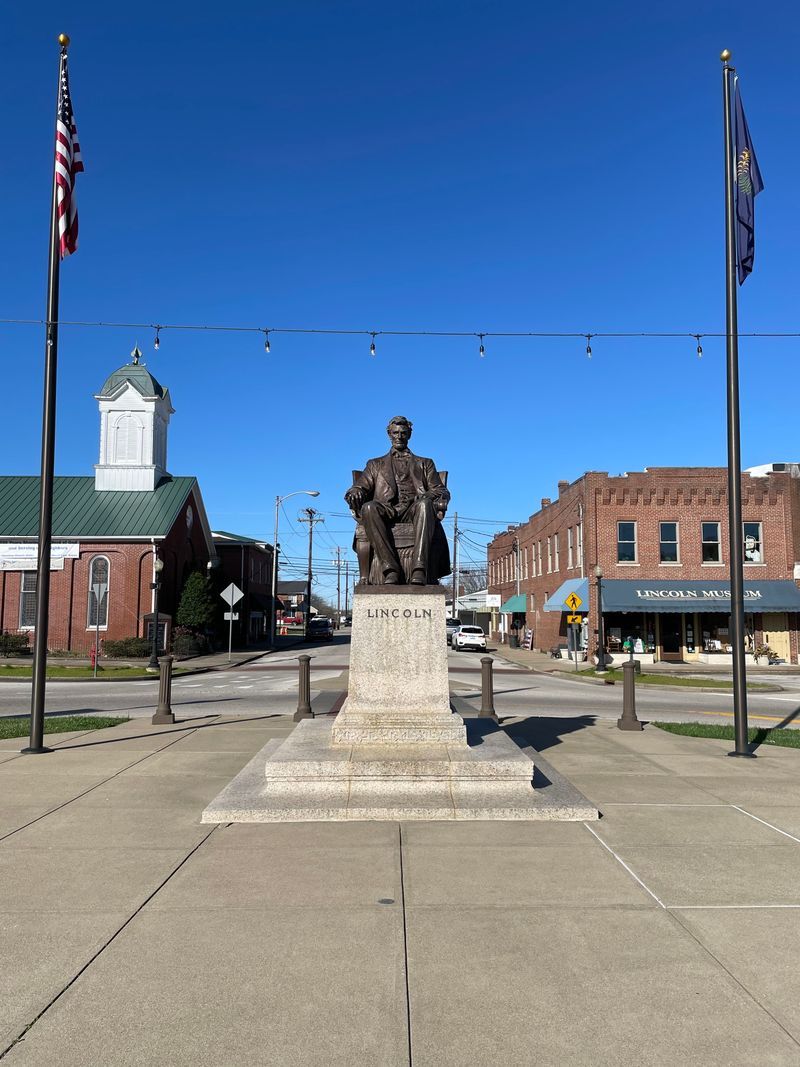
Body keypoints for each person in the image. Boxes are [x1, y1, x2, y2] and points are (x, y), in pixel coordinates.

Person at [345, 416, 450, 585]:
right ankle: (390, 569)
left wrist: (425, 497)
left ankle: (419, 569)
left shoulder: (425, 463)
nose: (399, 436)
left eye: (403, 433)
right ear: (389, 434)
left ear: (409, 435)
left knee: (424, 505)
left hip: (414, 509)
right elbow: (361, 486)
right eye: (395, 433)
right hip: (387, 511)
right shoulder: (375, 464)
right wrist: (355, 492)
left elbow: (440, 490)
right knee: (369, 507)